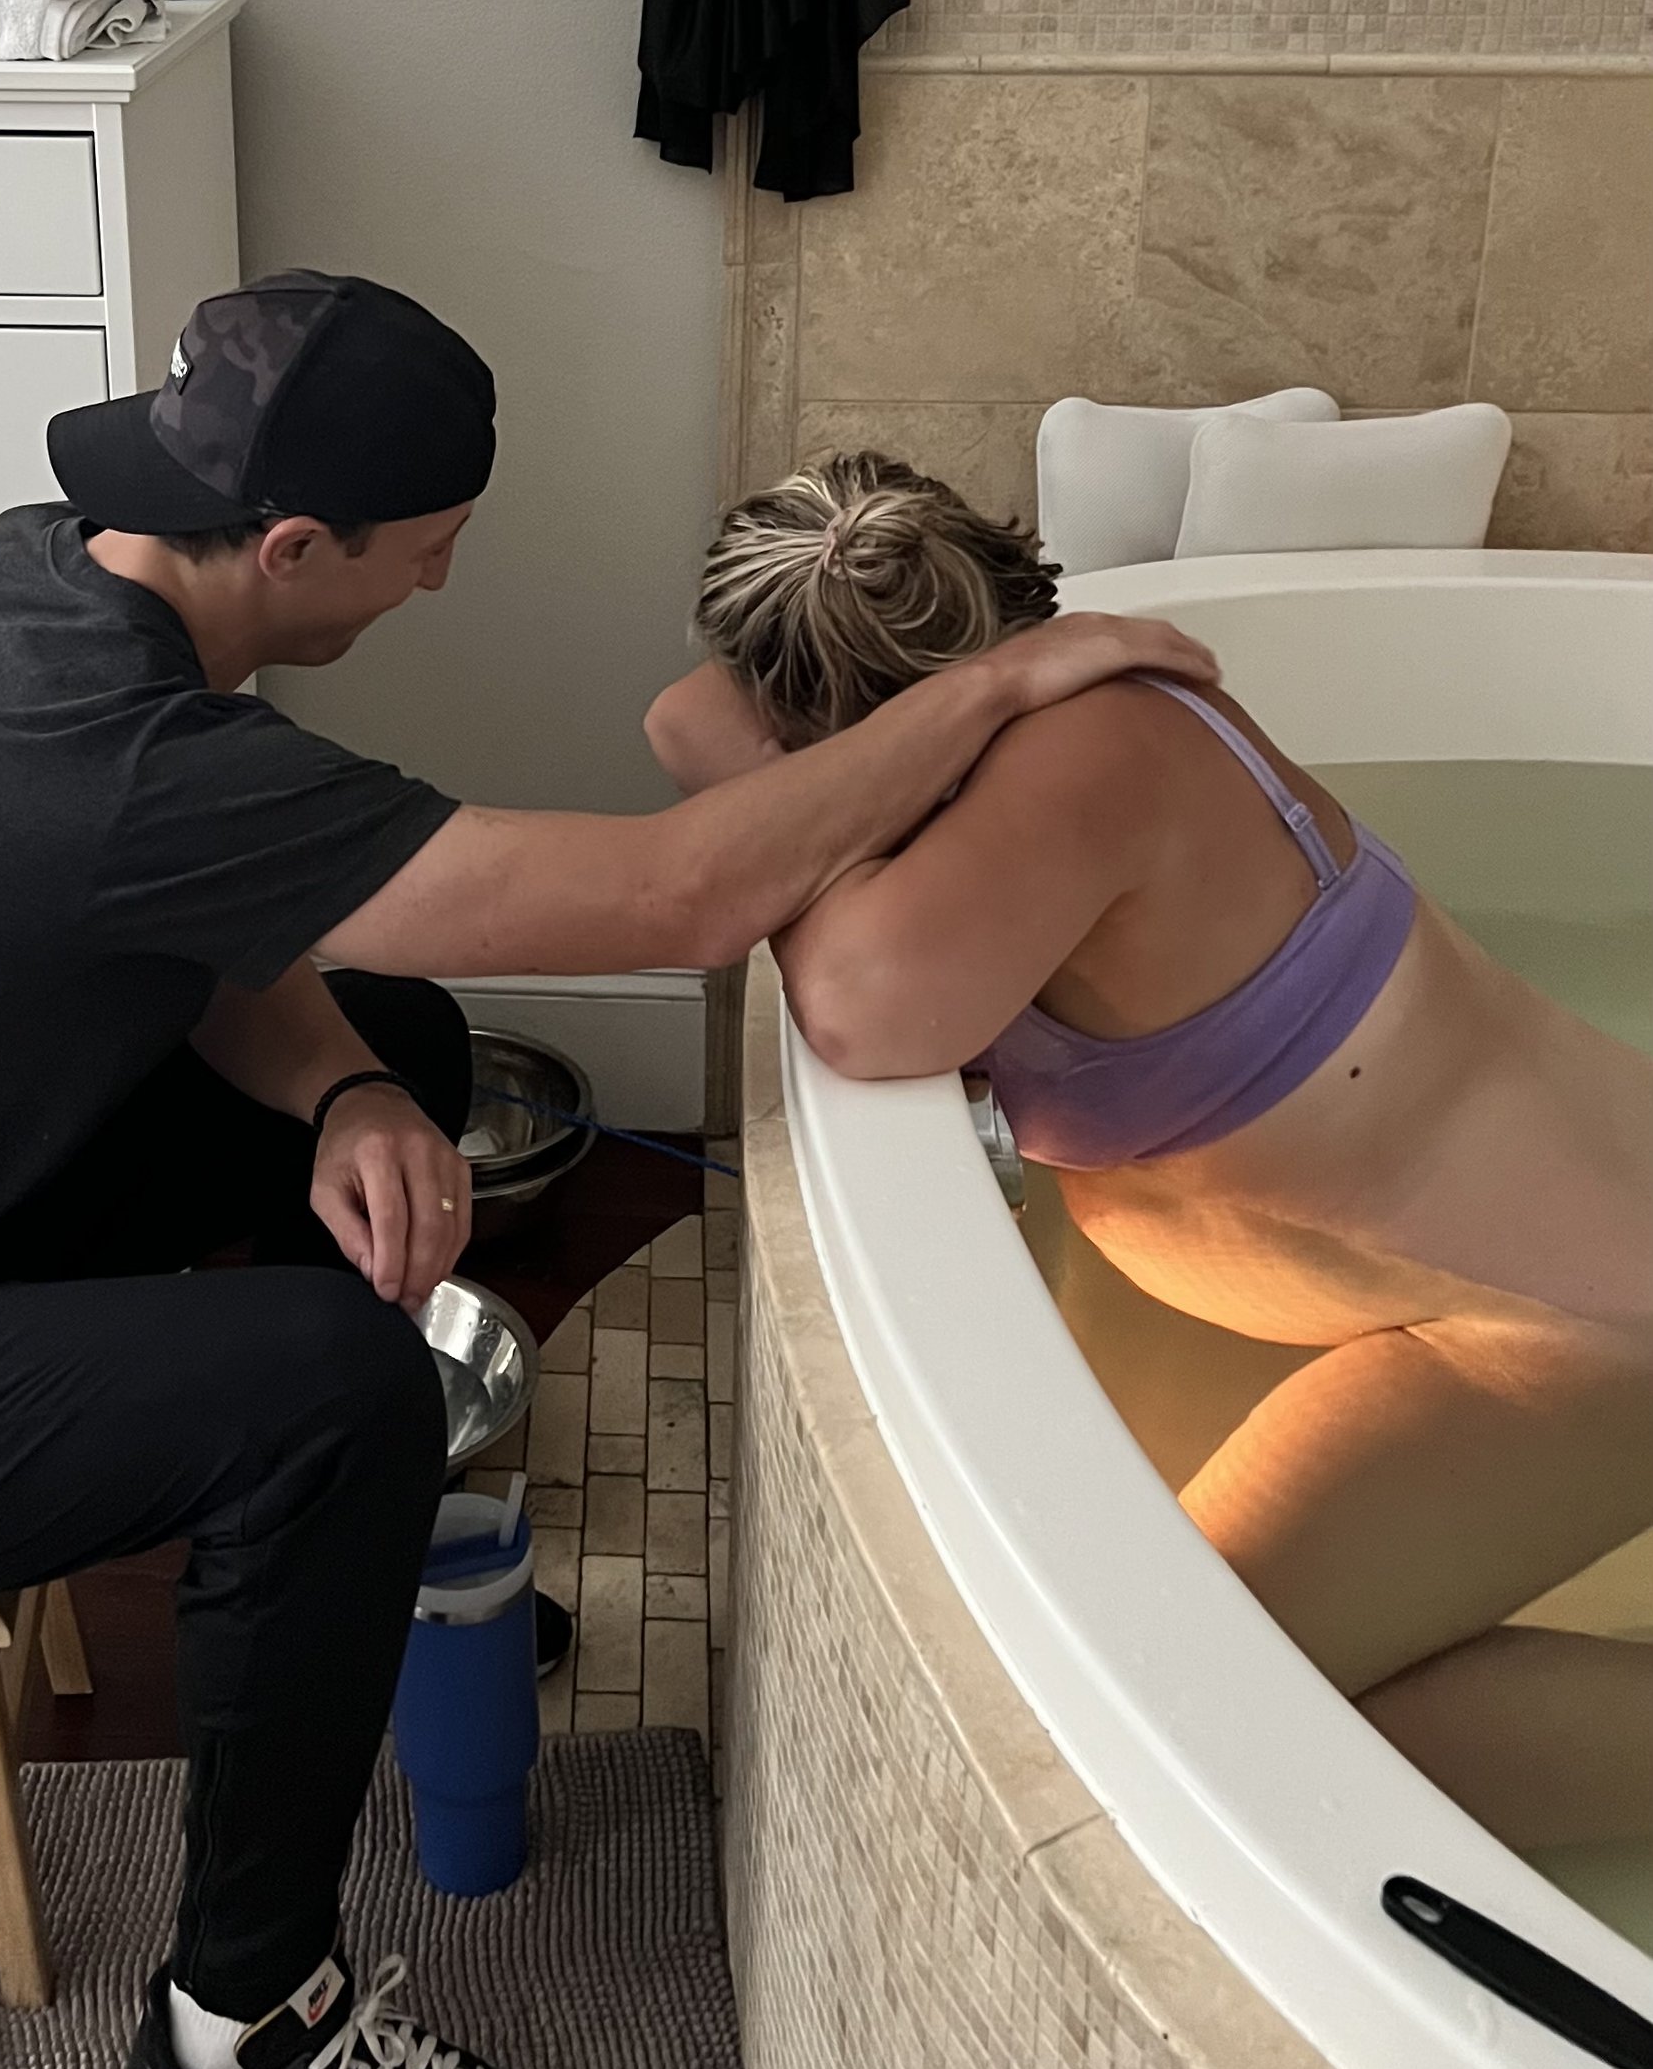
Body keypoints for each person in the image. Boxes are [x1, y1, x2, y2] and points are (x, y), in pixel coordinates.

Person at [0, 279, 1208, 2069]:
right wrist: (1004, 687)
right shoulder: (116, 753)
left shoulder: (37, 577)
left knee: (395, 1037)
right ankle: (236, 2050)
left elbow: (192, 929)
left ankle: (323, 1561)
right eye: (424, 553)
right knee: (332, 1390)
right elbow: (682, 896)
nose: (438, 583)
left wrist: (339, 1092)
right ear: (297, 545)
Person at [647, 451, 1653, 1858]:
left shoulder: (1092, 753)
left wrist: (820, 803)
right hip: (1526, 1254)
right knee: (1229, 1705)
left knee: (1211, 1723)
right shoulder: (1044, 728)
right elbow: (688, 718)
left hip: (1575, 1329)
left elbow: (858, 1004)